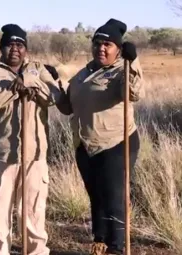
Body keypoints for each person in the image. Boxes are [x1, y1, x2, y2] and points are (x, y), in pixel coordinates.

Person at [57, 18, 144, 255]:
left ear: (118, 48)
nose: (101, 48)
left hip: (116, 142)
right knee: (96, 194)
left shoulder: (121, 70)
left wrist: (132, 61)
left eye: (108, 44)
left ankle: (117, 247)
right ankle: (100, 241)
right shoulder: (84, 72)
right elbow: (67, 107)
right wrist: (53, 84)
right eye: (97, 43)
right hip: (85, 145)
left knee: (114, 195)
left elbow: (134, 92)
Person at [0, 24, 63, 255]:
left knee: (33, 210)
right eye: (10, 44)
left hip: (34, 154)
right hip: (2, 154)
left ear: (26, 48)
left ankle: (35, 252)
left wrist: (31, 83)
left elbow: (54, 97)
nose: (15, 49)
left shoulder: (38, 69)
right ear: (2, 47)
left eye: (20, 44)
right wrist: (13, 89)